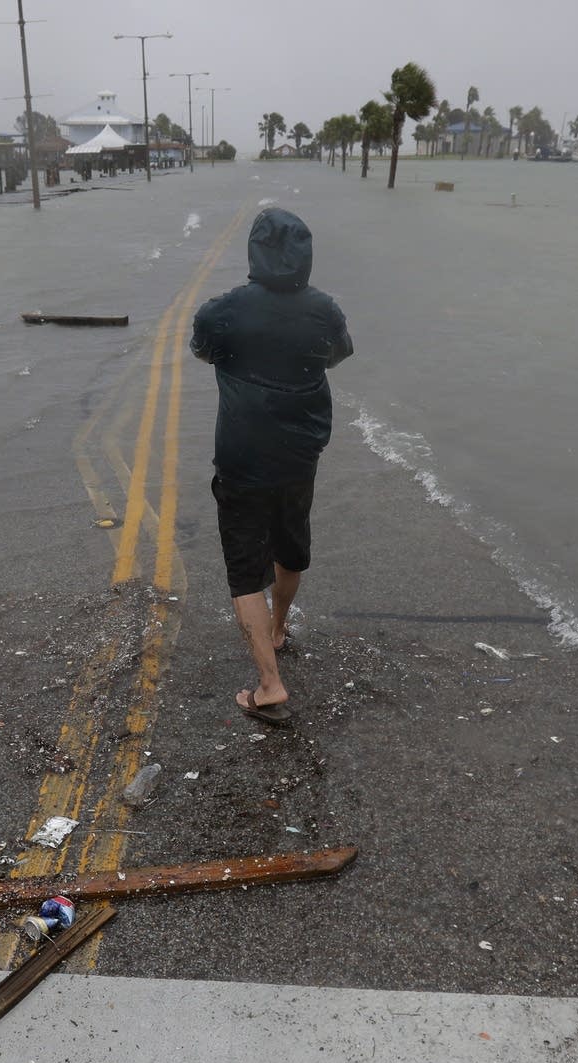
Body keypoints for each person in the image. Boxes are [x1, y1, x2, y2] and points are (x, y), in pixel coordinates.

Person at [189, 207, 353, 727]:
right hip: (300, 453)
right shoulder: (324, 309)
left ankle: (268, 683)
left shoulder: (222, 312)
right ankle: (280, 629)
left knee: (244, 573)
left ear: (255, 252)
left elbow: (204, 352)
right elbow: (336, 356)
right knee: (290, 546)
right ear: (305, 253)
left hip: (241, 457)